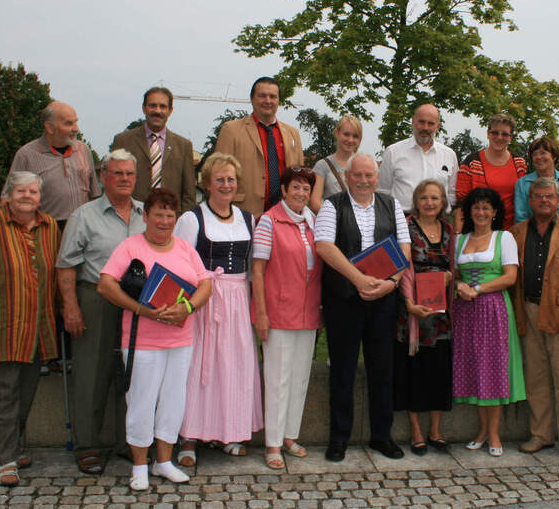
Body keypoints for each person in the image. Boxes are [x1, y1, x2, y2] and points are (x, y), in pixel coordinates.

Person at [98, 188, 212, 490]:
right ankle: (139, 465)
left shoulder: (185, 248)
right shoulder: (130, 246)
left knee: (173, 402)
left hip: (181, 338)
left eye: (169, 215)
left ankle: (163, 462)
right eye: (158, 214)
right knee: (141, 402)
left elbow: (205, 284)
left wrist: (187, 307)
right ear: (145, 216)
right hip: (143, 341)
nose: (164, 221)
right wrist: (141, 310)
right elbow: (105, 285)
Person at [315, 153, 411, 462]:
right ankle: (339, 439)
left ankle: (382, 437)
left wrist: (392, 282)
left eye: (369, 175)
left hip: (384, 298)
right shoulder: (332, 205)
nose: (364, 180)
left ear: (377, 176)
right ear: (347, 175)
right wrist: (358, 279)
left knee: (382, 369)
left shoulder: (391, 204)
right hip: (344, 298)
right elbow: (324, 246)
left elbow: (405, 247)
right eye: (357, 175)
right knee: (342, 370)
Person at [56, 150, 146, 474]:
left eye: (129, 174)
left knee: (132, 375)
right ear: (103, 176)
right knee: (91, 375)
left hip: (135, 306)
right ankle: (88, 446)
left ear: (136, 178)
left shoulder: (144, 214)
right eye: (117, 173)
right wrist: (71, 307)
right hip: (94, 299)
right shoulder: (84, 215)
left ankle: (127, 443)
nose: (123, 179)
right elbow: (66, 265)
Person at [172, 153, 262, 466]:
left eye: (231, 180)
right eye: (220, 179)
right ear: (207, 183)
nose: (226, 185)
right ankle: (190, 436)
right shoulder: (191, 219)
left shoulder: (248, 219)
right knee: (199, 366)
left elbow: (253, 268)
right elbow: (180, 265)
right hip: (204, 301)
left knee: (235, 366)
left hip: (237, 300)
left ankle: (230, 433)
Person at [0, 172, 60, 486]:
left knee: (25, 393)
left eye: (32, 191)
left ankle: (12, 446)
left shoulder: (48, 225)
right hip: (2, 326)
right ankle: (4, 459)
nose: (27, 196)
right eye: (20, 190)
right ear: (8, 194)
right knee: (2, 395)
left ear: (40, 196)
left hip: (37, 328)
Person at [510, 177, 559, 462]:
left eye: (550, 197)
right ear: (530, 201)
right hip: (529, 311)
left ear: (558, 201)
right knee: (536, 377)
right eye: (539, 196)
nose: (544, 201)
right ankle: (541, 435)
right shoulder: (517, 232)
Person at [252, 166, 322, 470]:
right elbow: (257, 270)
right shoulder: (269, 221)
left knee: (299, 378)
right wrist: (262, 315)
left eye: (306, 189)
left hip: (308, 313)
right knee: (277, 379)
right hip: (279, 313)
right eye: (296, 187)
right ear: (283, 190)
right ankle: (273, 442)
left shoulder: (313, 221)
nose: (301, 193)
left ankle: (291, 436)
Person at [453, 188, 525, 457]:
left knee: (492, 368)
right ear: (469, 212)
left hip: (493, 308)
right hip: (465, 311)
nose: (481, 212)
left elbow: (510, 277)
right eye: (476, 207)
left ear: (495, 212)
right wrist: (461, 285)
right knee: (474, 368)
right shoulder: (460, 239)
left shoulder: (503, 238)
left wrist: (479, 288)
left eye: (486, 208)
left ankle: (494, 432)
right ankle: (482, 430)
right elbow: (454, 274)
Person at [394, 180, 455, 456]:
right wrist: (408, 303)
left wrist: (449, 277)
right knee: (414, 371)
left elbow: (453, 264)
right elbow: (400, 266)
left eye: (435, 197)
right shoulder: (405, 227)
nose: (429, 202)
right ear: (416, 201)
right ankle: (417, 431)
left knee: (438, 369)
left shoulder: (449, 230)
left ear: (442, 202)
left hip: (440, 314)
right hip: (412, 311)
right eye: (424, 197)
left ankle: (436, 429)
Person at [214, 76, 304, 218]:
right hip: (242, 215)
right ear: (252, 99)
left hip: (284, 216)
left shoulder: (293, 134)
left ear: (278, 101)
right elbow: (217, 175)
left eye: (272, 97)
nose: (268, 101)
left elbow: (300, 178)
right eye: (262, 96)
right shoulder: (231, 130)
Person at [8, 102, 101, 230]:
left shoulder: (83, 150)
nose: (76, 128)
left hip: (82, 228)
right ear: (50, 127)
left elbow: (94, 194)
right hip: (45, 230)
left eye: (76, 122)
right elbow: (8, 198)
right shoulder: (26, 155)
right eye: (69, 123)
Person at [111, 87, 196, 215]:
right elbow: (113, 184)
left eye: (163, 106)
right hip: (131, 218)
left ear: (170, 111)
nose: (157, 111)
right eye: (152, 106)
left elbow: (189, 194)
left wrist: (181, 222)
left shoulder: (184, 146)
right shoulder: (123, 141)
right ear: (144, 108)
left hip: (169, 221)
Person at [378, 104, 458, 215]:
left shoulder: (449, 155)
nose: (425, 128)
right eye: (421, 122)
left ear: (438, 126)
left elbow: (452, 194)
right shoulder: (393, 152)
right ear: (413, 122)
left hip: (438, 222)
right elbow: (382, 192)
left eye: (430, 123)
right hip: (401, 221)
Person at [455, 113, 527, 230]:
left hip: (513, 230)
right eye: (495, 133)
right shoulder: (472, 162)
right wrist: (458, 236)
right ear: (488, 133)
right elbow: (461, 203)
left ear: (511, 137)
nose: (499, 137)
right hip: (477, 230)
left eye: (504, 134)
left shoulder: (520, 163)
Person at [514, 137, 559, 223]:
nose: (538, 157)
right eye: (534, 154)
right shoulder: (522, 183)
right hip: (530, 235)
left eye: (543, 153)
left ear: (554, 156)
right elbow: (521, 217)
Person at [310, 115, 362, 213]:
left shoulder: (364, 165)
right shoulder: (322, 166)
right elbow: (315, 202)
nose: (350, 140)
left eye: (355, 136)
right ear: (337, 133)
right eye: (346, 134)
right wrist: (336, 218)